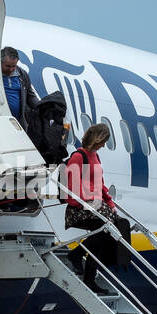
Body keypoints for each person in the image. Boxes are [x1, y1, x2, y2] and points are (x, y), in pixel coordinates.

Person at [63, 123, 130, 294]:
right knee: (105, 231)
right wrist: (88, 202)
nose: (103, 146)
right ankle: (76, 255)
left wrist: (110, 203)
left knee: (104, 238)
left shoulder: (95, 157)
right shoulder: (79, 157)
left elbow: (100, 184)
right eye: (102, 142)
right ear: (95, 139)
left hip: (96, 206)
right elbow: (72, 186)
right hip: (79, 207)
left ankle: (88, 279)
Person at [0, 46, 40, 129]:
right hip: (0, 121)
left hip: (17, 123)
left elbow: (30, 96)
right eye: (8, 66)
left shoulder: (22, 75)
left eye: (14, 66)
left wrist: (42, 107)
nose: (11, 69)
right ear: (0, 62)